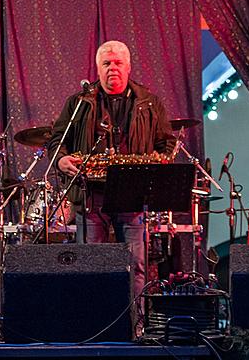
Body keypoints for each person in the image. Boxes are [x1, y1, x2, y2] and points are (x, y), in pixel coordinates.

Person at [48, 40, 177, 303]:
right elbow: (56, 141)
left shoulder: (150, 103)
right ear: (98, 68)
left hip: (133, 193)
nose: (112, 68)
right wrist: (61, 160)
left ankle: (135, 325)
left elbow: (167, 142)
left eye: (118, 63)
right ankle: (91, 325)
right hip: (90, 194)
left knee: (136, 266)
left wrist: (160, 162)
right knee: (89, 264)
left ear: (128, 67)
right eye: (106, 63)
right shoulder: (78, 102)